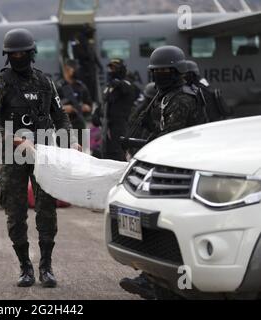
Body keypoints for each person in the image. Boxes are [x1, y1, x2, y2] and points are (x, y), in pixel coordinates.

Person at [0, 28, 79, 288]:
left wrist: (72, 140)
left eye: (23, 53)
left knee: (46, 210)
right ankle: (25, 267)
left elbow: (60, 117)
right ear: (7, 56)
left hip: (44, 156)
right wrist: (16, 139)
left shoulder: (45, 83)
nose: (19, 57)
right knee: (15, 213)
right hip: (14, 157)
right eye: (14, 54)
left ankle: (46, 266)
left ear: (32, 53)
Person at [119, 46, 204, 299]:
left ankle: (166, 282)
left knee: (165, 226)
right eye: (156, 72)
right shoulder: (167, 95)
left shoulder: (182, 97)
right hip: (172, 167)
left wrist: (143, 144)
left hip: (182, 171)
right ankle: (155, 280)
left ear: (176, 71)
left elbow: (173, 137)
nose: (159, 76)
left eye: (164, 71)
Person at [102, 58, 136, 161]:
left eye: (115, 68)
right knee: (107, 151)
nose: (112, 70)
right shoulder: (109, 85)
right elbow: (105, 100)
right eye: (110, 68)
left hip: (122, 124)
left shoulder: (126, 83)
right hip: (107, 124)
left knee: (119, 151)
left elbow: (127, 88)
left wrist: (118, 84)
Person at [56, 59, 93, 146]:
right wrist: (64, 108)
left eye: (70, 69)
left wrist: (83, 107)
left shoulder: (81, 86)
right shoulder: (58, 86)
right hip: (63, 126)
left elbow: (89, 106)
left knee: (81, 154)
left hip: (79, 124)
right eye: (67, 69)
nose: (68, 72)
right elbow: (51, 107)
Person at [71, 24, 103, 102]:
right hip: (85, 69)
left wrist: (99, 65)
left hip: (90, 68)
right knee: (87, 88)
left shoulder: (87, 41)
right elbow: (81, 55)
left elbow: (93, 54)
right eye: (91, 32)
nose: (92, 34)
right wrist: (89, 63)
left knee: (92, 88)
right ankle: (88, 103)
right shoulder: (79, 40)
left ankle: (92, 102)